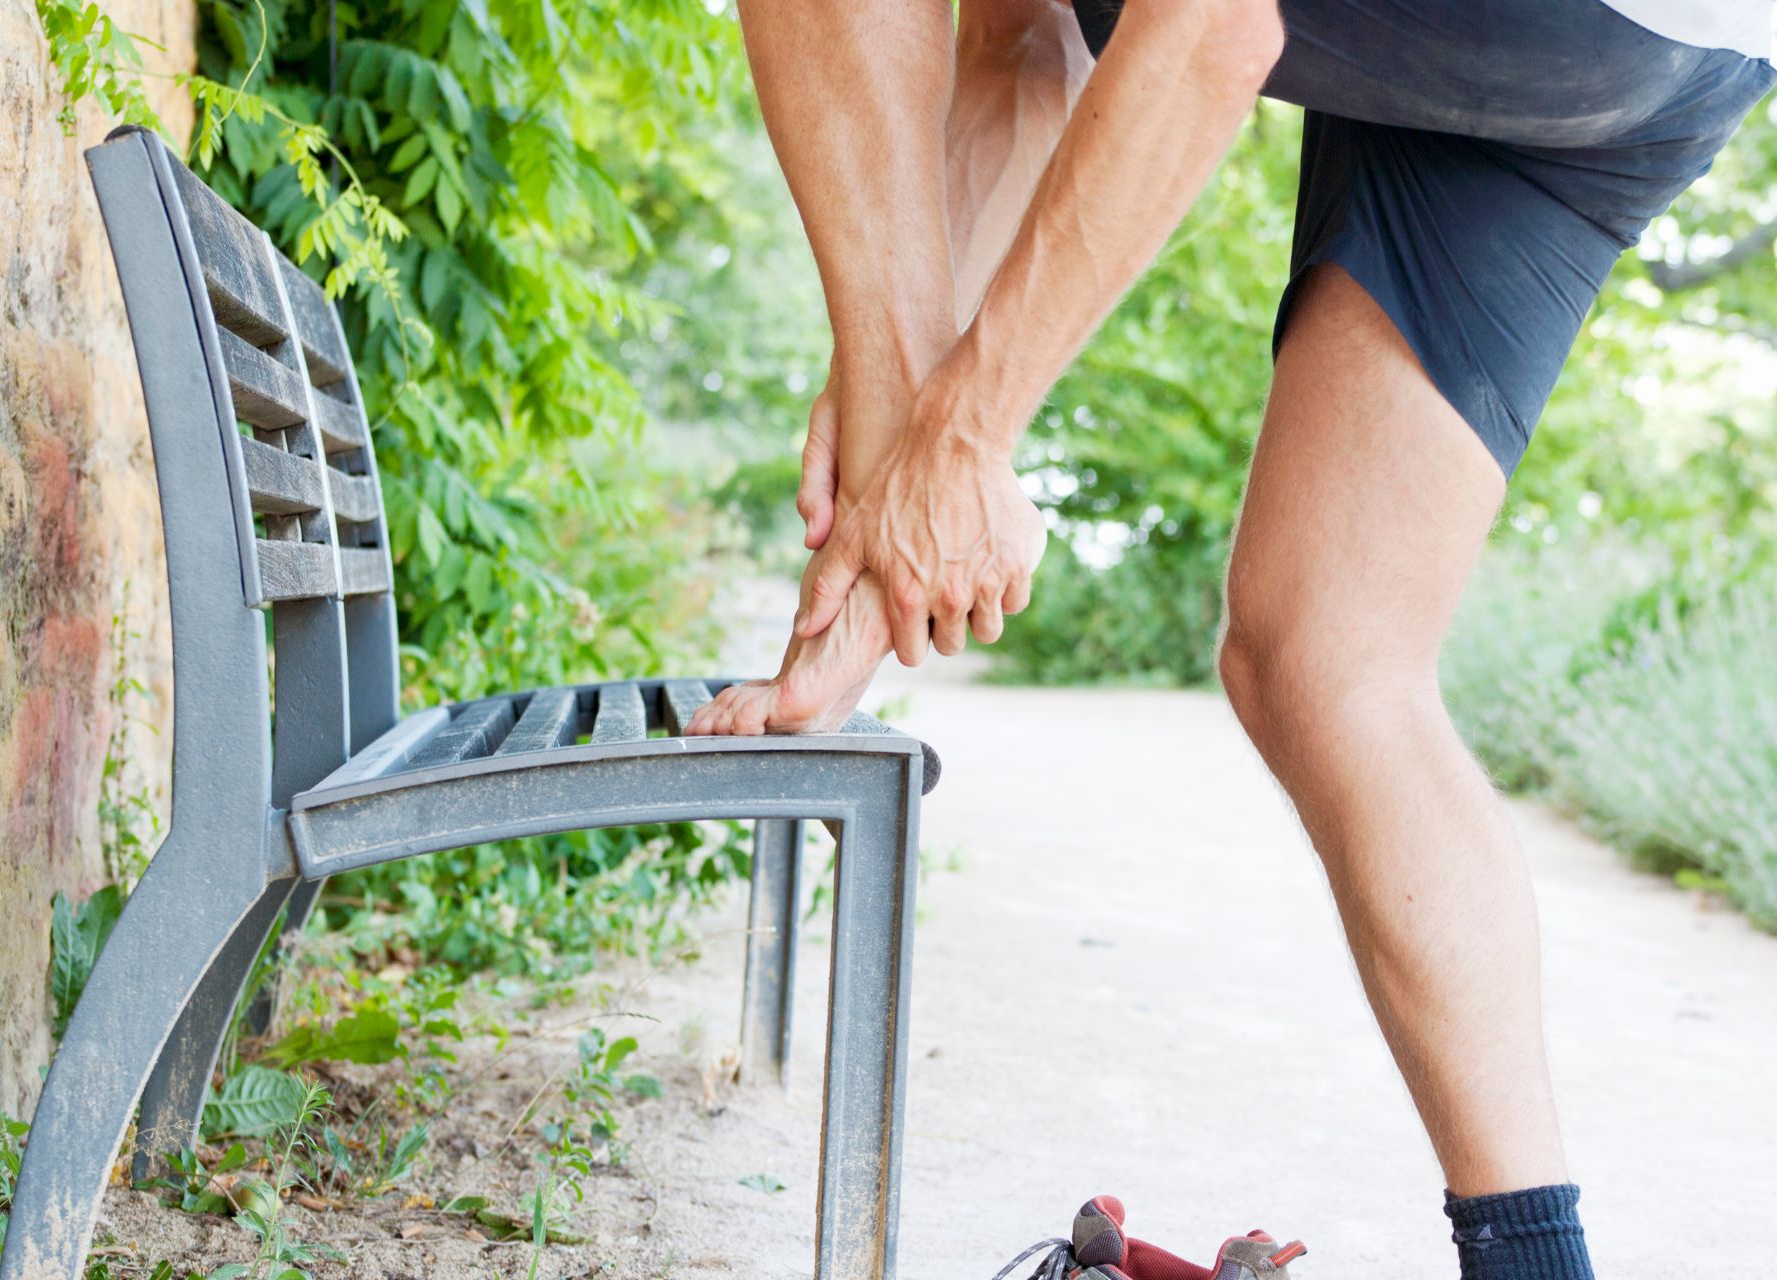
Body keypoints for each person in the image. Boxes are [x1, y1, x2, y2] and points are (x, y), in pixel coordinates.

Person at [684, 1, 1775, 1277]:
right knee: (1324, 657)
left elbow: (1209, 26)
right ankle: (1536, 1264)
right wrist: (892, 517)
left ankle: (899, 434)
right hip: (1655, 65)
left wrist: (958, 436)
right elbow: (1015, 52)